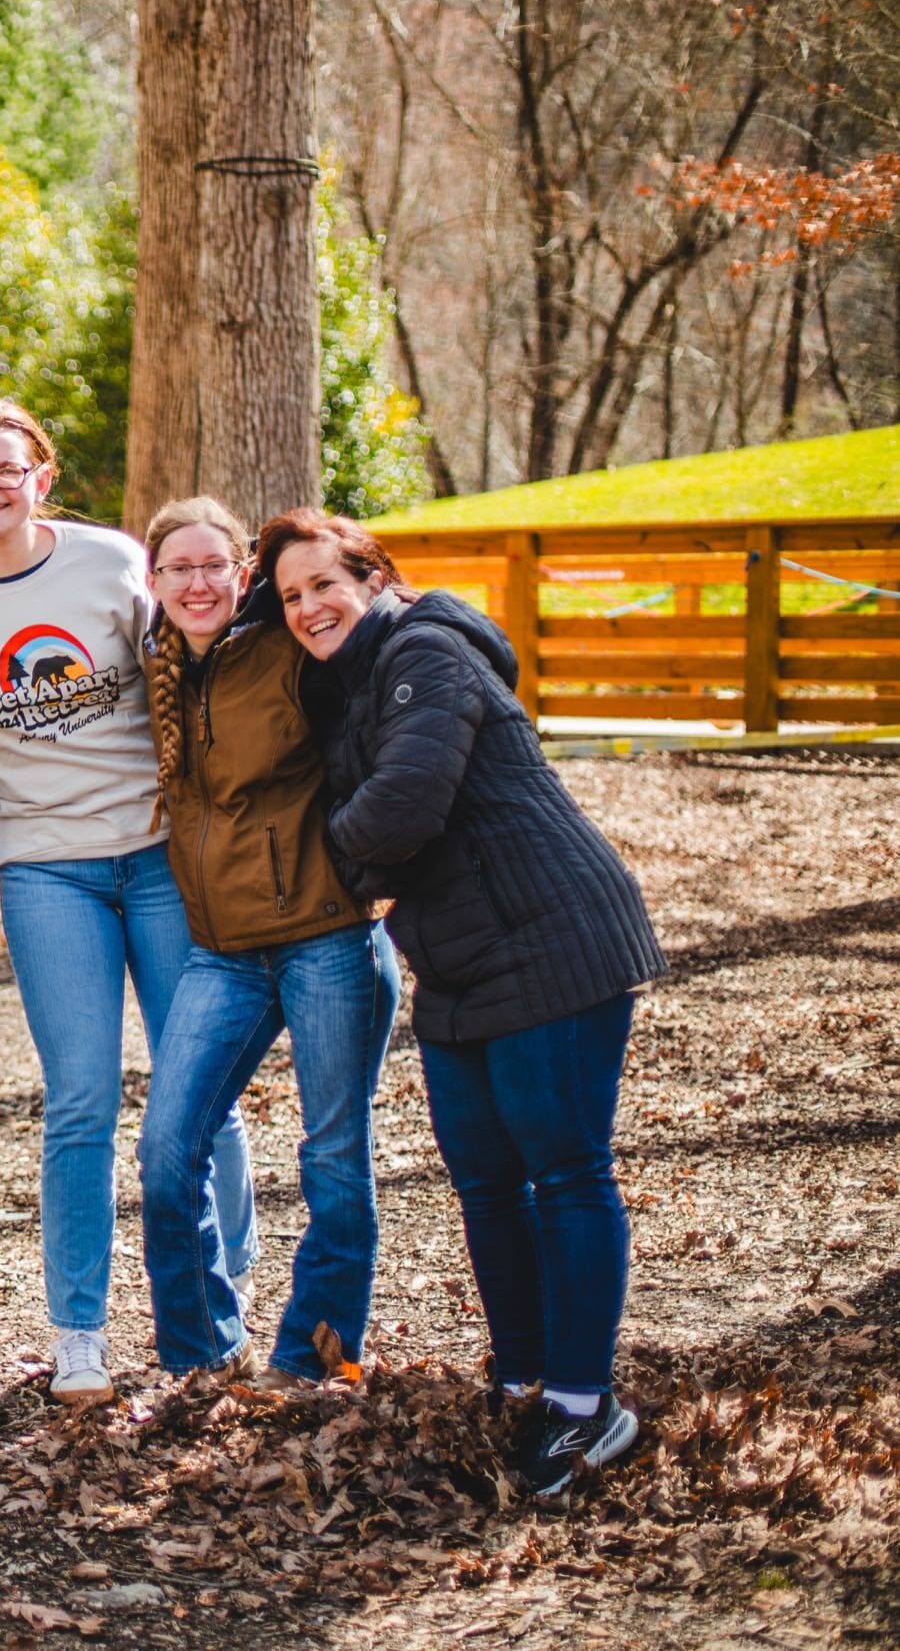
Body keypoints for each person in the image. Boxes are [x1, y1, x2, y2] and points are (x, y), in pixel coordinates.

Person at [263, 507, 665, 1496]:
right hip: (456, 957)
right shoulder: (341, 683)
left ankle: (583, 1405)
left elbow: (403, 806)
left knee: (565, 1169)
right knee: (483, 1177)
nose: (310, 607)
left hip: (551, 935)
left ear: (374, 576)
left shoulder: (425, 651)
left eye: (325, 583)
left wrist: (334, 856)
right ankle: (523, 1376)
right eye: (289, 596)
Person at [0, 398, 256, 1407]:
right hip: (46, 870)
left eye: (7, 469)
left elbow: (194, 666)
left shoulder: (106, 565)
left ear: (40, 479)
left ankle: (223, 1299)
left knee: (201, 1091)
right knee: (82, 1103)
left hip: (157, 855)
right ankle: (81, 1333)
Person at [132, 497, 402, 1392]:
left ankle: (312, 1360)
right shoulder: (158, 664)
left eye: (215, 565)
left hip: (327, 937)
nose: (198, 582)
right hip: (223, 951)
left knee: (331, 1156)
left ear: (240, 573)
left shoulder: (292, 650)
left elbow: (383, 706)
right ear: (154, 582)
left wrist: (373, 854)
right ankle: (202, 1352)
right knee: (168, 1151)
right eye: (179, 568)